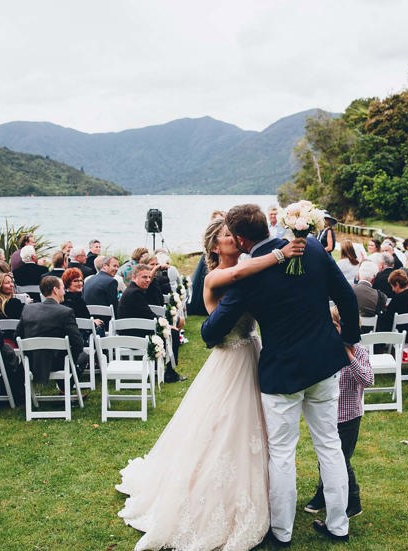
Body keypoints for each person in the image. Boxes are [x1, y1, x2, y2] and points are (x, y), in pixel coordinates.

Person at [116, 216, 304, 550]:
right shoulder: (217, 274)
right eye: (228, 234)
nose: (234, 237)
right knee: (224, 427)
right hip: (230, 358)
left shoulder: (249, 265)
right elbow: (237, 275)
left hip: (252, 352)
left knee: (259, 427)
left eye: (235, 234)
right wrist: (279, 254)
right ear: (215, 245)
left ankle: (266, 492)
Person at [201, 203, 360, 545]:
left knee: (283, 453)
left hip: (282, 373)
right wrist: (349, 339)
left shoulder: (249, 275)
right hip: (323, 363)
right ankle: (338, 525)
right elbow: (346, 295)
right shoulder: (313, 247)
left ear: (241, 239)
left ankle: (282, 531)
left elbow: (213, 331)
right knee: (330, 444)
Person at [304, 306, 373, 518]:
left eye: (335, 326)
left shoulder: (358, 350)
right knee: (325, 455)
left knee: (341, 459)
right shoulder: (324, 347)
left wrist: (348, 357)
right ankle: (324, 493)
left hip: (348, 415)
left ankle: (354, 500)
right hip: (326, 413)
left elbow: (368, 380)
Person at [117, 264, 185, 381]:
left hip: (134, 330)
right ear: (134, 277)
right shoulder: (135, 293)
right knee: (172, 334)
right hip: (133, 335)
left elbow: (146, 314)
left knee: (169, 331)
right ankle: (170, 373)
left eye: (149, 277)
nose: (148, 280)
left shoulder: (133, 290)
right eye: (144, 277)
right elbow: (149, 316)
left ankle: (166, 369)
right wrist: (168, 326)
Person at [16, 276, 88, 383]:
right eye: (63, 288)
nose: (64, 292)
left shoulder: (28, 308)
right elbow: (78, 343)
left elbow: (17, 336)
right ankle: (65, 387)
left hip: (31, 362)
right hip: (56, 363)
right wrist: (68, 358)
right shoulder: (66, 312)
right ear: (55, 290)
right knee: (83, 356)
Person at [377, 268, 408, 339]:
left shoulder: (397, 298)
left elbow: (388, 319)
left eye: (392, 286)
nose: (392, 290)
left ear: (397, 284)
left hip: (401, 334)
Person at [83, 255, 120, 329]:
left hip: (90, 320)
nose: (116, 269)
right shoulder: (111, 281)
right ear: (105, 266)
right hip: (105, 323)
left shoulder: (89, 280)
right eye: (114, 266)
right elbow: (114, 305)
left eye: (118, 267)